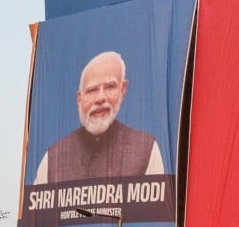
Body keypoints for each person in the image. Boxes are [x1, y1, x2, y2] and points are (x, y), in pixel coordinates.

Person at [34, 51, 164, 184]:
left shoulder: (147, 150)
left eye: (110, 87)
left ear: (122, 89)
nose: (101, 98)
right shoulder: (52, 159)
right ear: (79, 99)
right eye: (91, 90)